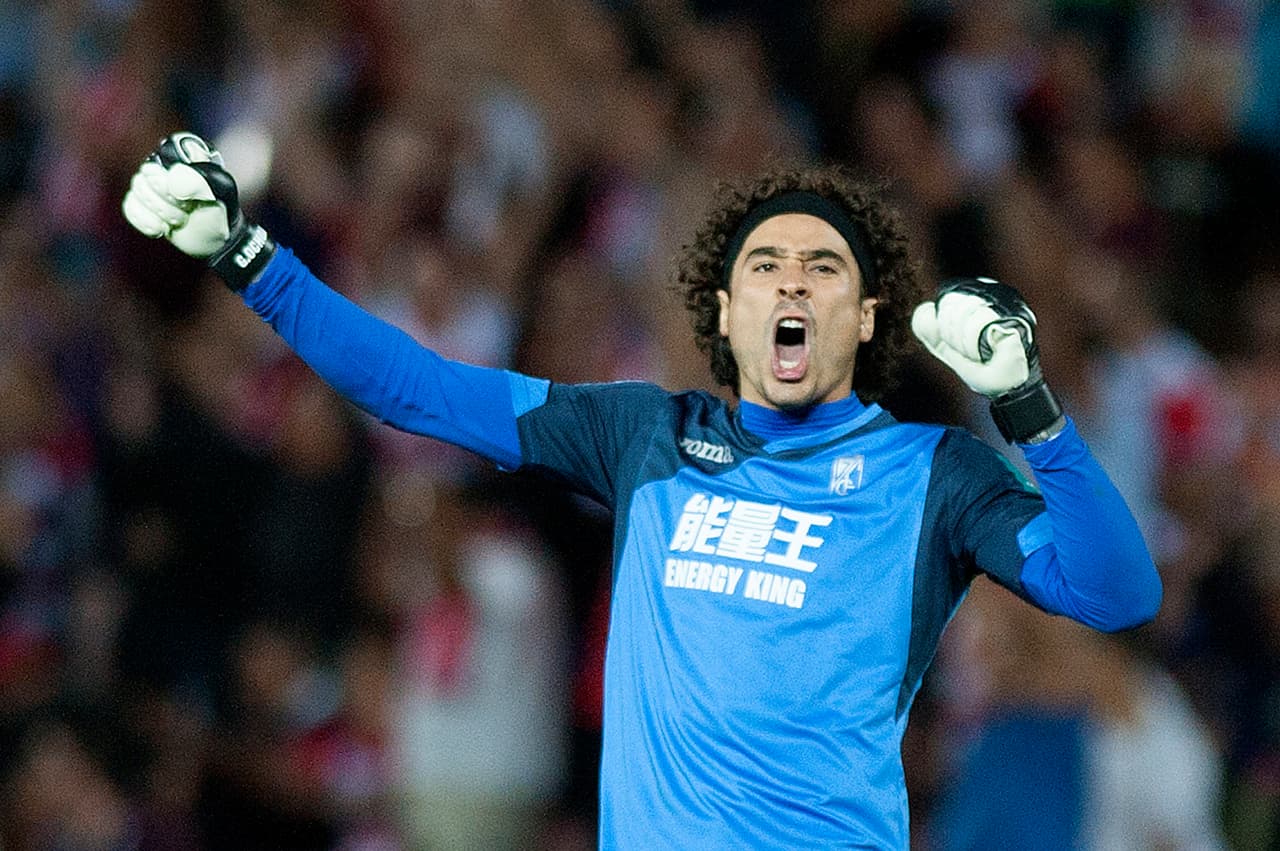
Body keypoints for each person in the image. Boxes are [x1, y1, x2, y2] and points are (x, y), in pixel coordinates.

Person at [121, 131, 1162, 850]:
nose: (792, 282)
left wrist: (1024, 403)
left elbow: (1114, 592)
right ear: (723, 308)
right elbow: (415, 388)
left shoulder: (932, 472)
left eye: (823, 269)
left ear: (865, 316)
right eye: (765, 266)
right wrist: (248, 257)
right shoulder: (645, 434)